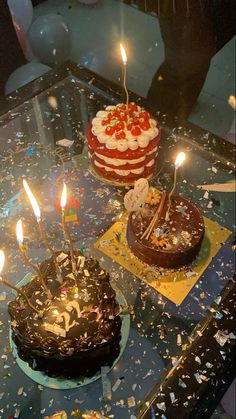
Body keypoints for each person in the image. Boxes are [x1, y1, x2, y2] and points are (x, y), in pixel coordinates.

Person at [146, 0, 236, 121]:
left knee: (197, 61)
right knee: (181, 65)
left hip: (213, 12)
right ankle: (153, 123)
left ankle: (177, 108)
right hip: (189, 9)